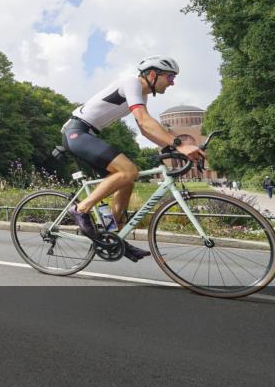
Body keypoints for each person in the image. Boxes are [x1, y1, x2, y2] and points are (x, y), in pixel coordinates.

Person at [62, 55, 205, 262]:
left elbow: (146, 132)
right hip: (77, 132)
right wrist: (180, 145)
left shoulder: (141, 95)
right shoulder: (131, 83)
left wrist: (172, 148)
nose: (173, 82)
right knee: (129, 170)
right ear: (153, 74)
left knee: (127, 180)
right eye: (171, 76)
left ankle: (115, 236)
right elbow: (145, 122)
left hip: (87, 134)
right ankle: (80, 209)